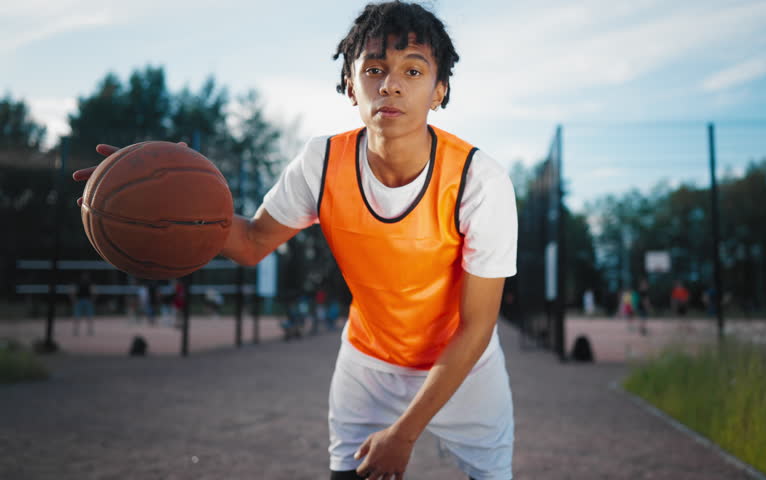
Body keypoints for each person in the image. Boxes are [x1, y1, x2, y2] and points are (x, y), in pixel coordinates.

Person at [74, 3, 517, 478]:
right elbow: (250, 243)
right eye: (373, 69)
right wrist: (170, 202)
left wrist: (404, 434)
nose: (390, 84)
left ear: (439, 91)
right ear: (350, 85)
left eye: (413, 70)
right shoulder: (322, 162)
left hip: (464, 368)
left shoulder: (478, 181)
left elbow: (476, 327)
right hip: (368, 361)